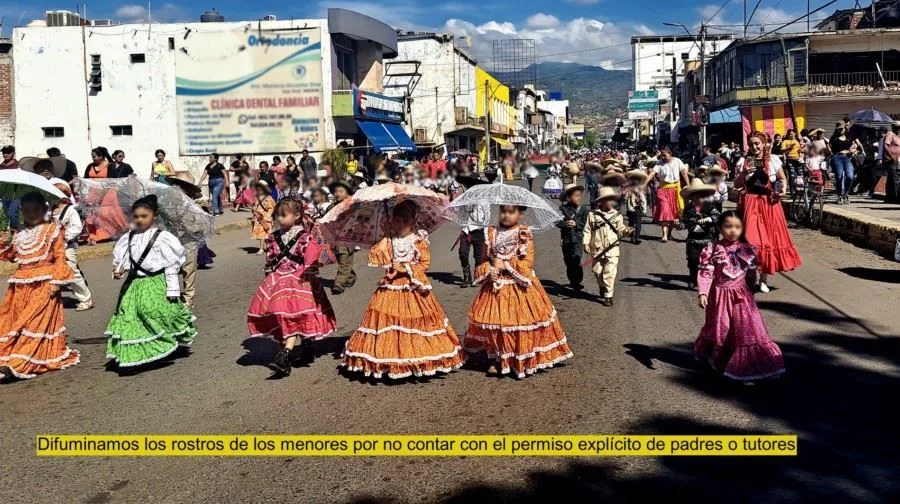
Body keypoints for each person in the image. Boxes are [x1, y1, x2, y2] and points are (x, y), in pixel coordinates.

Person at [340, 200, 465, 379]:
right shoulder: (388, 240)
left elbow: (424, 264)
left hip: (413, 287)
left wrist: (405, 268)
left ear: (412, 221)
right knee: (388, 324)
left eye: (403, 222)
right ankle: (389, 358)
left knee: (415, 323)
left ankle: (417, 358)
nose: (398, 225)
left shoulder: (418, 240)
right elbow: (378, 260)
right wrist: (388, 257)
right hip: (390, 287)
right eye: (396, 221)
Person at [464, 204, 573, 378]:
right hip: (496, 286)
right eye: (503, 211)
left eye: (511, 212)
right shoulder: (491, 233)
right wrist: (490, 269)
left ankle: (521, 358)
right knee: (497, 325)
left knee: (520, 323)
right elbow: (483, 258)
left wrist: (506, 264)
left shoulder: (524, 233)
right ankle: (500, 358)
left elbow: (527, 262)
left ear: (520, 214)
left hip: (519, 286)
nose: (506, 215)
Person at [247, 199, 337, 376]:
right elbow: (271, 256)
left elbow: (311, 259)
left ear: (296, 216)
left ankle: (286, 354)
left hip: (299, 279)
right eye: (277, 215)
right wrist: (269, 271)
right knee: (283, 315)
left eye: (283, 215)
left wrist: (310, 269)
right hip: (279, 279)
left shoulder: (305, 237)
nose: (279, 219)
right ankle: (303, 346)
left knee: (295, 314)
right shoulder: (273, 236)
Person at [106, 195, 196, 370]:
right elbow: (123, 260)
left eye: (144, 216)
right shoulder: (128, 237)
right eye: (136, 216)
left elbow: (170, 266)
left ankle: (162, 344)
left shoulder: (163, 238)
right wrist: (119, 270)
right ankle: (139, 351)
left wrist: (172, 290)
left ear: (154, 215)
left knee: (155, 314)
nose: (139, 220)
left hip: (155, 283)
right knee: (129, 316)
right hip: (133, 285)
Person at [695, 211, 785, 383]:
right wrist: (703, 292)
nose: (732, 231)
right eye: (728, 226)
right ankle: (722, 362)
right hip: (720, 297)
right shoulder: (713, 249)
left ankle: (752, 367)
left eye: (737, 227)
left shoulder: (746, 249)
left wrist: (751, 289)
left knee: (750, 332)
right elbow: (706, 273)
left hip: (743, 297)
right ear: (720, 228)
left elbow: (751, 273)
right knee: (723, 331)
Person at [0, 192, 81, 380]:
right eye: (26, 210)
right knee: (17, 323)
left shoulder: (52, 230)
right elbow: (12, 256)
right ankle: (10, 357)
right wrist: (4, 242)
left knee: (34, 321)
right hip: (20, 287)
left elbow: (61, 258)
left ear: (44, 210)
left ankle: (21, 363)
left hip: (45, 282)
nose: (31, 214)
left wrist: (56, 282)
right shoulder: (19, 232)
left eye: (35, 210)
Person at [734, 131, 802, 293]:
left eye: (757, 143)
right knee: (751, 240)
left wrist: (783, 189)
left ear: (764, 144)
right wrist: (744, 172)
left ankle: (763, 279)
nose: (754, 147)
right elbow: (737, 185)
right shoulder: (743, 161)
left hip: (769, 204)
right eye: (751, 144)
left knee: (768, 241)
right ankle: (750, 276)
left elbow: (782, 178)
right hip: (750, 203)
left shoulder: (772, 160)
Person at [583, 187, 633, 307]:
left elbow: (620, 230)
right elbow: (587, 230)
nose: (611, 203)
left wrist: (626, 231)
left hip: (612, 249)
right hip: (597, 248)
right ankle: (602, 286)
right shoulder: (592, 215)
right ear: (601, 201)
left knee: (609, 273)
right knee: (597, 271)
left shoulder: (617, 216)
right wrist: (586, 243)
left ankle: (608, 295)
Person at [50, 179, 94, 311]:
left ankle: (86, 299)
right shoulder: (50, 210)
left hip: (66, 246)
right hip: (52, 247)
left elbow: (77, 227)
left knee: (72, 272)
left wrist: (64, 237)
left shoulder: (70, 210)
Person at [680, 179, 721, 290]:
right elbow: (684, 222)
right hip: (693, 240)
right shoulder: (688, 208)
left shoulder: (709, 206)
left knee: (708, 262)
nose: (699, 199)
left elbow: (717, 217)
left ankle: (706, 281)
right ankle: (694, 280)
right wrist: (679, 225)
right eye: (696, 196)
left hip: (707, 239)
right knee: (693, 260)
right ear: (692, 197)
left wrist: (708, 219)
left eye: (701, 196)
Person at [557, 184, 588, 292]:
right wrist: (565, 223)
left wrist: (577, 224)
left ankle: (577, 282)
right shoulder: (562, 209)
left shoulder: (583, 209)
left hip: (578, 239)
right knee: (568, 262)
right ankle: (572, 280)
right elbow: (557, 222)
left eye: (579, 196)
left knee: (576, 260)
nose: (579, 198)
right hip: (566, 239)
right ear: (568, 198)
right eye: (576, 196)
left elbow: (586, 222)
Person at [328, 181, 357, 295]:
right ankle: (350, 277)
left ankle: (338, 284)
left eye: (341, 191)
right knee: (342, 261)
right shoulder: (331, 207)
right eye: (336, 191)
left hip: (347, 238)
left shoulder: (351, 206)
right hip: (335, 239)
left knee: (344, 260)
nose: (338, 193)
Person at [830, 124, 855, 204]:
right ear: (837, 130)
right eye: (839, 129)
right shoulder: (834, 138)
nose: (841, 130)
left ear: (845, 129)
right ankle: (839, 195)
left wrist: (852, 151)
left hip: (847, 158)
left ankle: (846, 194)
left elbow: (854, 147)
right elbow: (832, 149)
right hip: (837, 158)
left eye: (842, 129)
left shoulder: (849, 137)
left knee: (850, 176)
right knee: (839, 177)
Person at [251, 181, 276, 255]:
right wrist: (253, 210)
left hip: (265, 218)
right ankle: (271, 247)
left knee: (264, 233)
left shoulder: (268, 198)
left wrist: (267, 216)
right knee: (265, 234)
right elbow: (254, 206)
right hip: (258, 218)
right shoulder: (256, 197)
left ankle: (261, 249)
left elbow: (271, 208)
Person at [624, 170, 649, 244]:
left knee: (638, 224)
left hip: (637, 209)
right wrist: (626, 193)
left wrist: (644, 209)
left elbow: (643, 200)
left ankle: (637, 237)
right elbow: (625, 199)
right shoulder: (628, 189)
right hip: (630, 209)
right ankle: (632, 236)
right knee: (631, 223)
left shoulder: (639, 189)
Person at [1, 145, 20, 230]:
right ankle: (13, 230)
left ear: (13, 153)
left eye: (8, 152)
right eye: (4, 152)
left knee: (13, 214)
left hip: (16, 193)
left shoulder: (18, 165)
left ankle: (16, 229)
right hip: (4, 193)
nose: (6, 154)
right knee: (7, 214)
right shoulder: (1, 166)